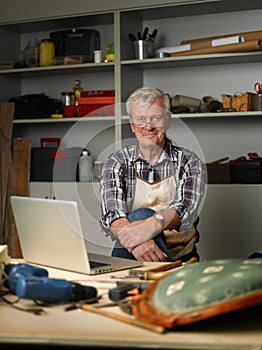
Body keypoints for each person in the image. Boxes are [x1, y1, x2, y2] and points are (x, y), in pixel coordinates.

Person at [99, 86, 206, 262]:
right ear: (132, 125)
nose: (148, 127)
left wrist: (152, 224)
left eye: (156, 118)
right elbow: (112, 215)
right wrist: (138, 243)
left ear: (168, 121)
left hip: (181, 258)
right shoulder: (117, 162)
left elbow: (185, 209)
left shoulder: (189, 161)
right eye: (141, 119)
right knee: (139, 216)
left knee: (140, 216)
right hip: (132, 254)